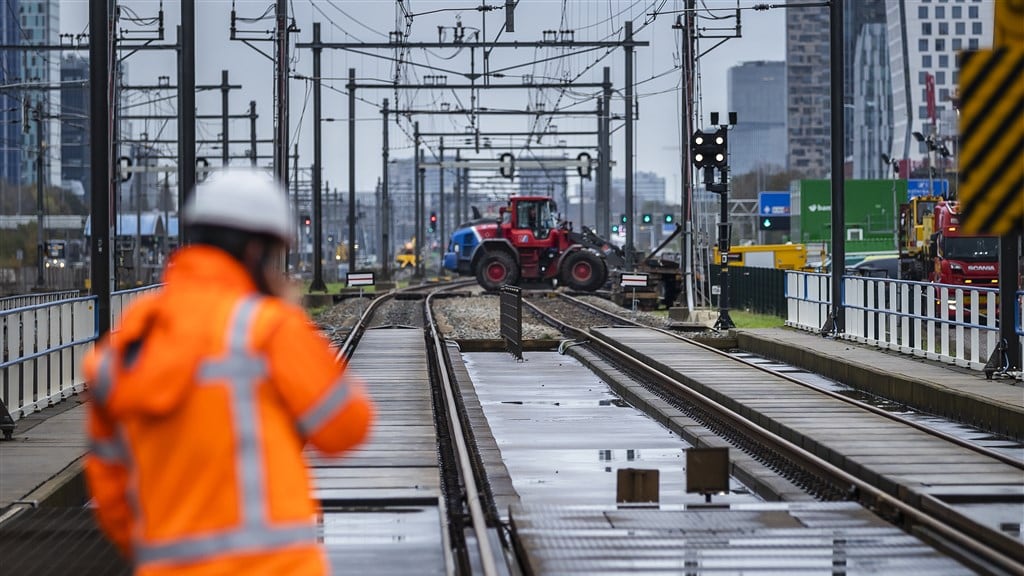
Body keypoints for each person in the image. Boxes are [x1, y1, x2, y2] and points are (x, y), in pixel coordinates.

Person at [83, 168, 374, 575]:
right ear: (256, 252)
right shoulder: (266, 327)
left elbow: (111, 494)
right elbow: (346, 427)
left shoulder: (123, 349)